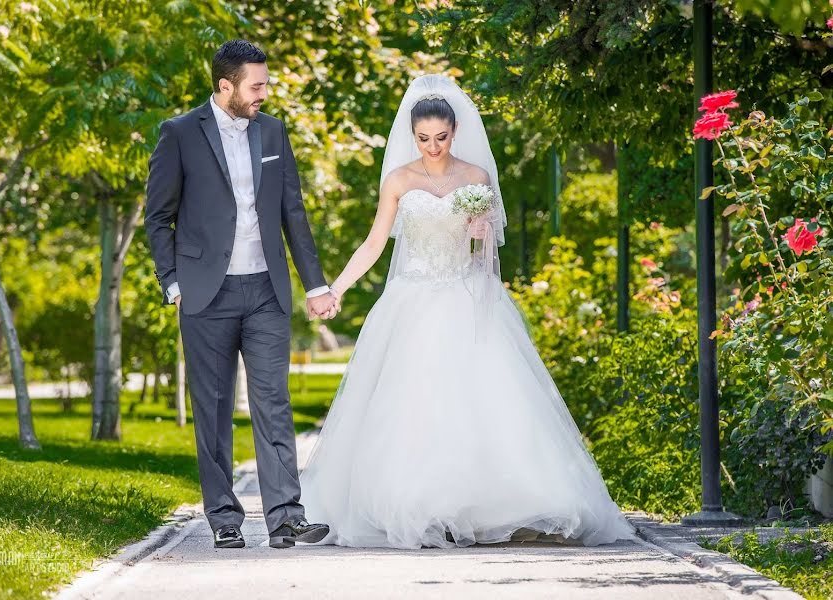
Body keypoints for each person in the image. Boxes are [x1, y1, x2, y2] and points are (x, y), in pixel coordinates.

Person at [299, 75, 636, 549]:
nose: (432, 147)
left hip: (466, 296)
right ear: (411, 136)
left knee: (482, 399)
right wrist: (336, 287)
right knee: (415, 403)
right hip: (412, 300)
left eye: (440, 137)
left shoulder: (477, 179)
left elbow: (485, 254)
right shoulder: (399, 180)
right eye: (422, 139)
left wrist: (479, 231)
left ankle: (490, 507)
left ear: (454, 131)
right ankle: (420, 506)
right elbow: (375, 243)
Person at [144, 39, 335, 549]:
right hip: (206, 294)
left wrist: (315, 283)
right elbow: (157, 217)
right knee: (212, 408)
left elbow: (292, 213)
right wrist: (173, 282)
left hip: (267, 290)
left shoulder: (272, 130)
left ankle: (286, 517)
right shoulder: (180, 133)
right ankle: (224, 519)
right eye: (257, 85)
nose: (265, 94)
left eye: (266, 84)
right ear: (225, 85)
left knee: (274, 401)